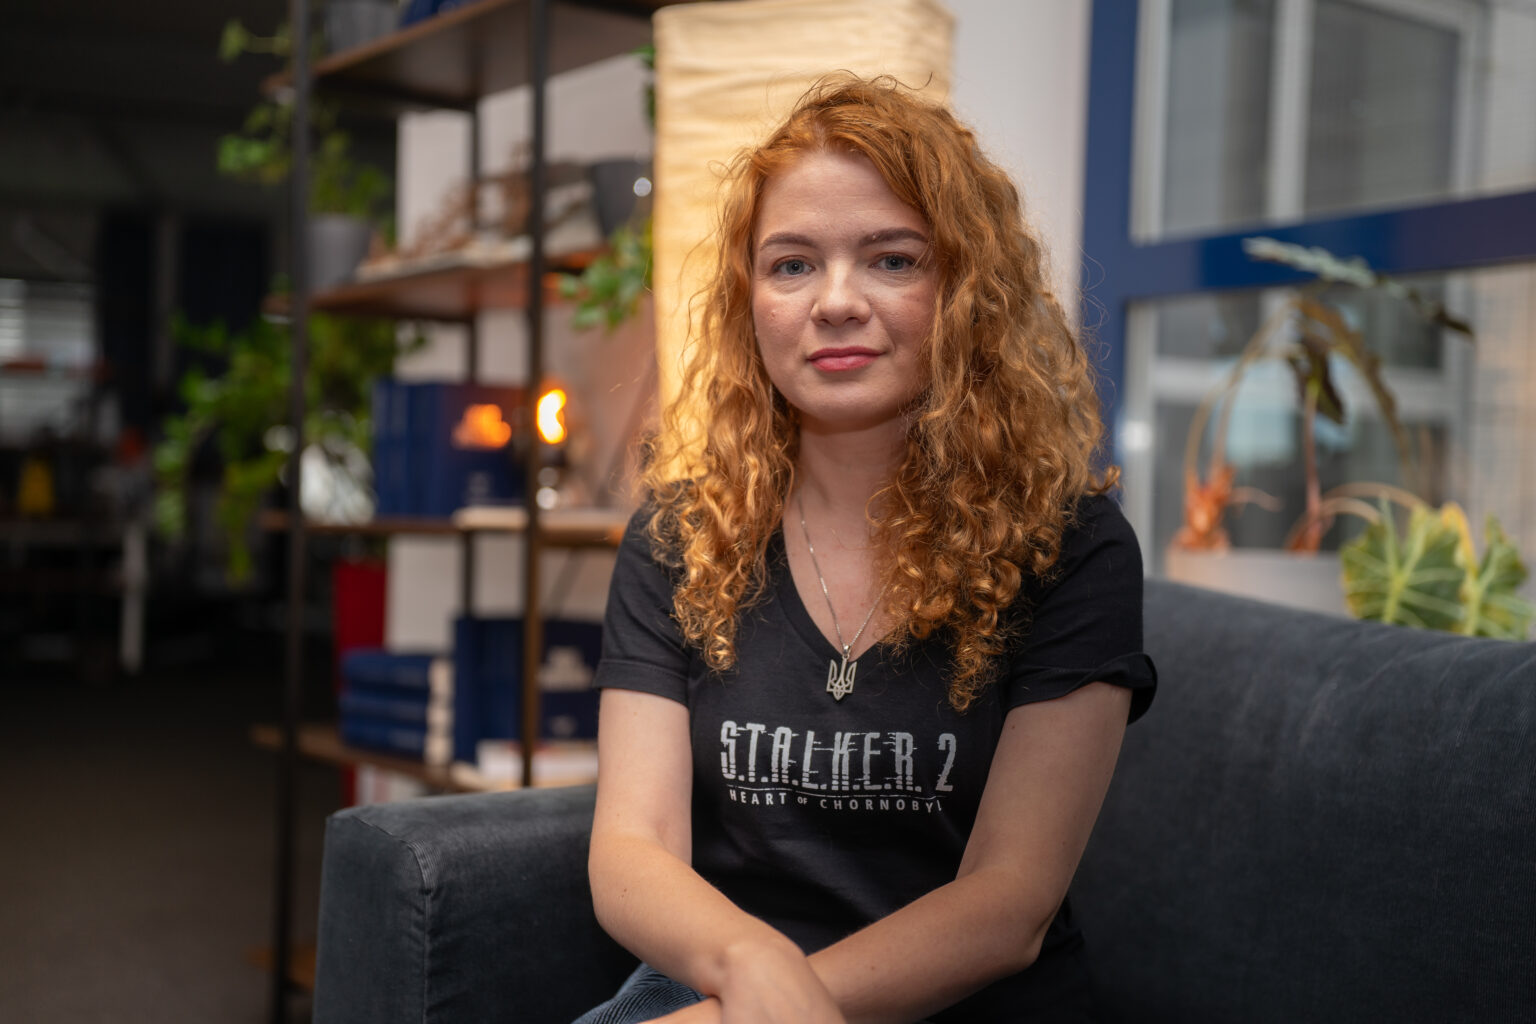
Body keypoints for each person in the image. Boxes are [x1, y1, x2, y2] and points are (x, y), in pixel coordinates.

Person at [575, 74, 1156, 1024]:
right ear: (748, 298)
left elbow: (1008, 905)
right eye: (791, 265)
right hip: (722, 979)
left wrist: (753, 1015)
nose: (834, 302)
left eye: (892, 259)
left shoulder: (1073, 548)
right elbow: (632, 847)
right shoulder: (680, 535)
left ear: (967, 289)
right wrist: (749, 965)